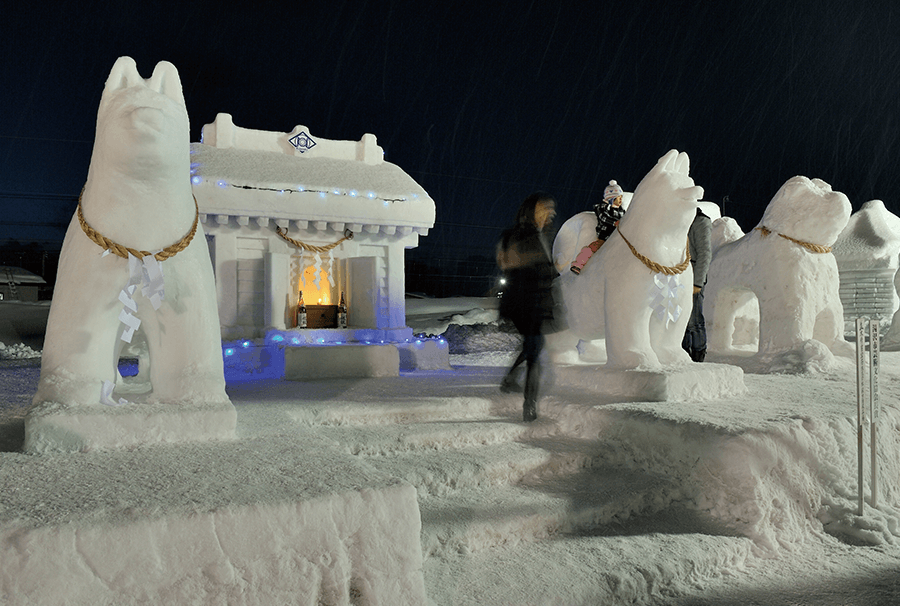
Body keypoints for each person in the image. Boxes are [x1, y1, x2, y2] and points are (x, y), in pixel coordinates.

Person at [496, 192, 557, 422]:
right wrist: (552, 269)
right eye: (545, 208)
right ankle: (529, 406)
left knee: (533, 346)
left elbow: (506, 262)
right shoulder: (526, 235)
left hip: (523, 303)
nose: (550, 213)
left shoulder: (527, 234)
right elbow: (514, 263)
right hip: (527, 303)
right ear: (533, 210)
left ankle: (509, 381)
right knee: (534, 353)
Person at [570, 180, 627, 274]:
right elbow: (603, 217)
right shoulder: (602, 208)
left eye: (621, 197)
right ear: (612, 198)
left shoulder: (621, 211)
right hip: (604, 235)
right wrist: (614, 223)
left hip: (617, 236)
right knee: (594, 247)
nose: (621, 200)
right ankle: (578, 264)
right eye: (618, 197)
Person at [682, 207, 712, 362]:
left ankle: (698, 353)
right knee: (681, 319)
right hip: (680, 275)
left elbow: (705, 253)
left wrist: (697, 282)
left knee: (694, 320)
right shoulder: (682, 220)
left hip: (693, 276)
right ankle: (684, 353)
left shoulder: (701, 222)